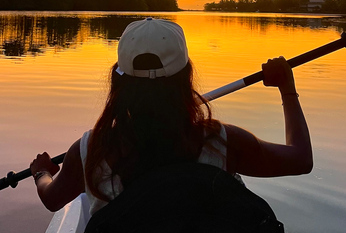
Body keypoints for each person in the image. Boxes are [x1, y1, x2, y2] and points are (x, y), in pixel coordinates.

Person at [30, 17, 313, 217]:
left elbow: (52, 199)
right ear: (186, 76)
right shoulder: (221, 141)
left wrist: (42, 172)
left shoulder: (91, 148)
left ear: (120, 81)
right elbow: (300, 159)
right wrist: (287, 88)